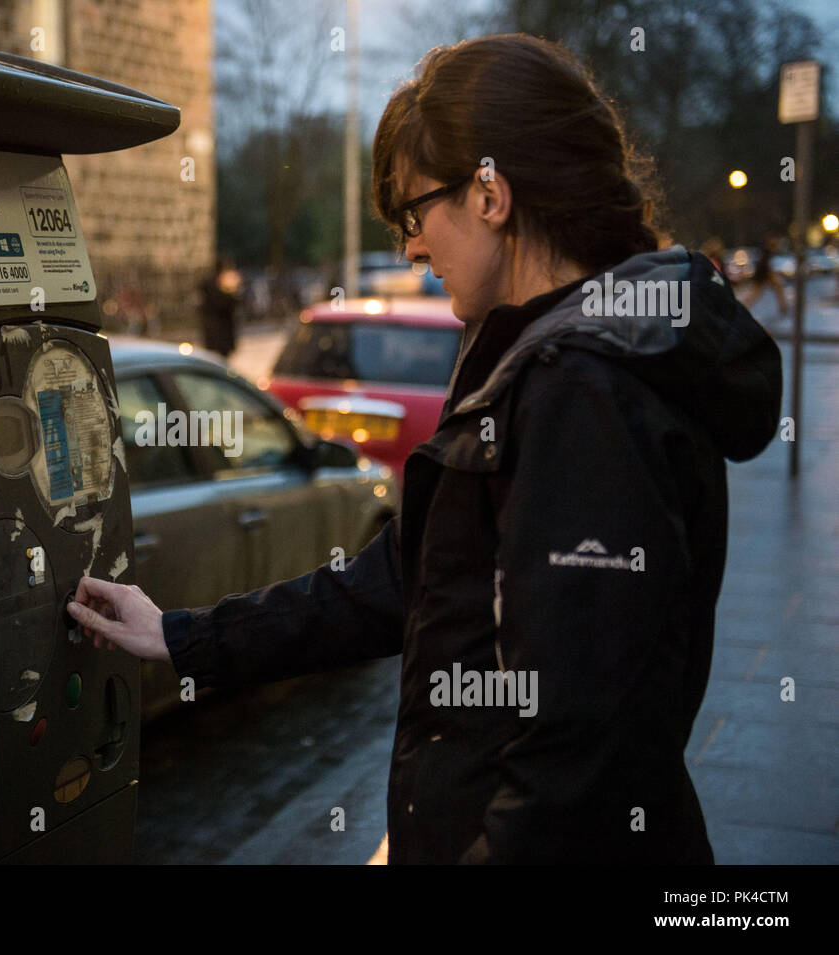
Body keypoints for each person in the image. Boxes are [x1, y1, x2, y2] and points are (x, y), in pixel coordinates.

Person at [67, 34, 782, 864]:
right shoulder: (532, 351)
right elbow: (406, 580)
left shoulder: (580, 387)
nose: (409, 245)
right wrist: (185, 636)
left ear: (490, 193)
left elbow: (579, 763)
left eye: (414, 212)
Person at [198, 258, 241, 358]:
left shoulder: (208, 281)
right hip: (220, 327)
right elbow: (224, 303)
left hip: (214, 326)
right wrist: (231, 291)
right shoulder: (219, 283)